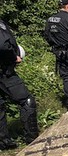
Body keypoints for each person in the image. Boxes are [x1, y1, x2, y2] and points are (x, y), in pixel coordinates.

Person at [0, 16, 38, 148]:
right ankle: (32, 138)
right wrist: (13, 56)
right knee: (27, 100)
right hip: (4, 71)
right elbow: (3, 45)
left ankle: (3, 141)